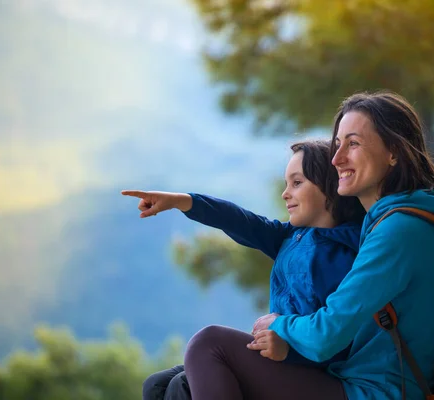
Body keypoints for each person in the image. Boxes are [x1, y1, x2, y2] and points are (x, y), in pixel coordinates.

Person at [244, 91, 434, 400]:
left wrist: (280, 324)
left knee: (211, 345)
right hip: (353, 382)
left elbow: (327, 334)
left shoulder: (400, 231)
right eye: (337, 144)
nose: (336, 159)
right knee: (171, 384)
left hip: (376, 393)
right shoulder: (387, 222)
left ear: (393, 152)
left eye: (352, 144)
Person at [122, 139, 366, 400]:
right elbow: (243, 221)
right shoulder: (292, 236)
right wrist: (184, 202)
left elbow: (342, 336)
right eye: (286, 184)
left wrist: (289, 348)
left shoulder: (341, 256)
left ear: (330, 188)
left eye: (297, 183)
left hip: (320, 376)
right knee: (160, 385)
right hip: (286, 359)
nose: (286, 193)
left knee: (207, 345)